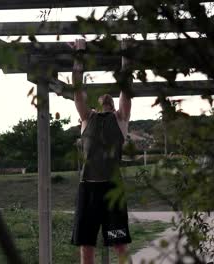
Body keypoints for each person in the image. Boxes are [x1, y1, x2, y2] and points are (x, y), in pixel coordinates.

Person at [70, 38, 133, 264]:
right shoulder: (88, 118)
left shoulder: (121, 119)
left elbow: (126, 89)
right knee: (86, 246)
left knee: (119, 244)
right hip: (88, 190)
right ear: (96, 105)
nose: (107, 100)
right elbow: (77, 91)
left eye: (111, 100)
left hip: (112, 190)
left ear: (114, 105)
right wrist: (79, 54)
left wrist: (126, 53)